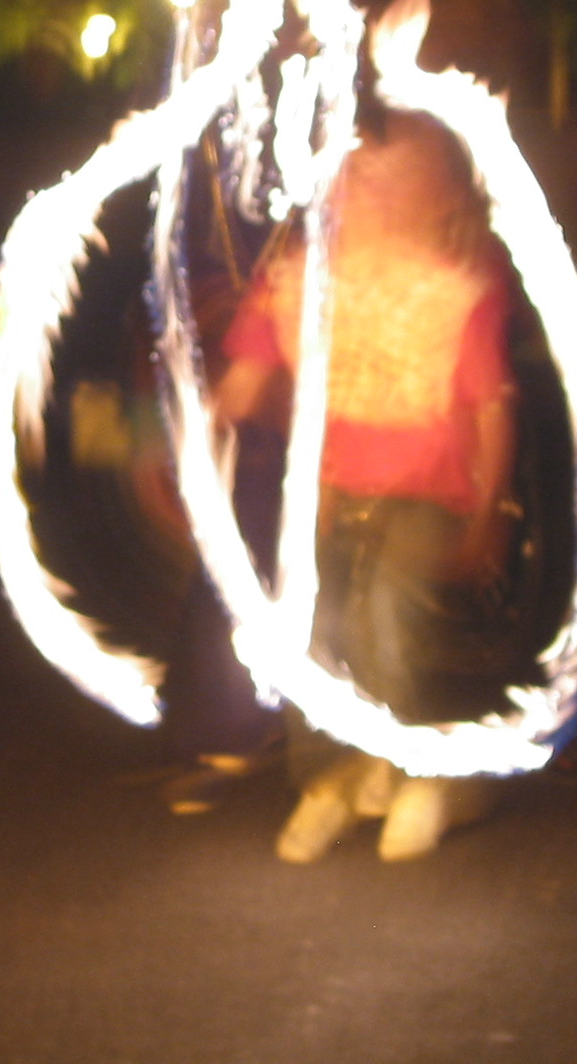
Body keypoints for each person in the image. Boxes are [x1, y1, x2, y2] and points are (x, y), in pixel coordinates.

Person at [215, 106, 519, 862]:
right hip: (330, 496)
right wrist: (181, 441)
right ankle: (329, 779)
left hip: (426, 498)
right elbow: (241, 386)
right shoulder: (296, 284)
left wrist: (488, 514)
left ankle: (424, 773)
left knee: (388, 615)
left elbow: (491, 407)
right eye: (356, 178)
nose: (368, 194)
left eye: (393, 182)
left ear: (433, 196)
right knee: (308, 622)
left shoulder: (452, 288)